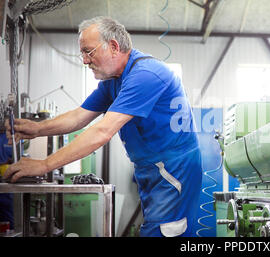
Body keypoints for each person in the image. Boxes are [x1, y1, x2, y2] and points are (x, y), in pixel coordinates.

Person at [4, 16, 202, 237]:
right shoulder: (114, 81)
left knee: (167, 232)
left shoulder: (145, 75)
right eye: (82, 53)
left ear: (114, 47)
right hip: (151, 168)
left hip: (174, 170)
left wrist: (44, 165)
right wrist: (37, 129)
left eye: (89, 52)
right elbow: (79, 116)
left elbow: (102, 131)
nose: (85, 61)